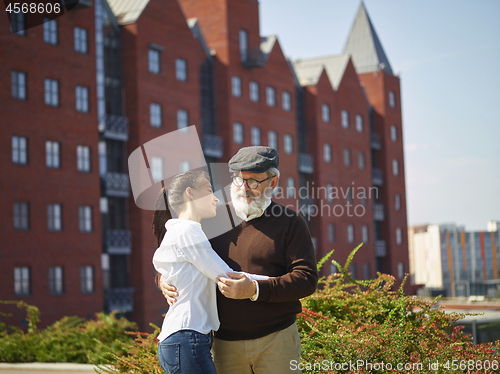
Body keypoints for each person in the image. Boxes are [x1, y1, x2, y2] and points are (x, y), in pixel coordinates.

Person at [160, 146, 318, 373]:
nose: (244, 188)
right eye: (237, 180)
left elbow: (306, 279)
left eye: (253, 182)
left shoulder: (291, 222)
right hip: (224, 344)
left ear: (272, 183)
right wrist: (162, 280)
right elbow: (176, 254)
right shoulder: (210, 220)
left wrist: (254, 289)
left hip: (277, 339)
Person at [152, 170, 269, 374]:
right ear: (191, 193)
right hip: (187, 337)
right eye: (208, 191)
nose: (215, 198)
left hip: (182, 339)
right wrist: (273, 282)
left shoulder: (181, 231)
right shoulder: (188, 231)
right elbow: (226, 276)